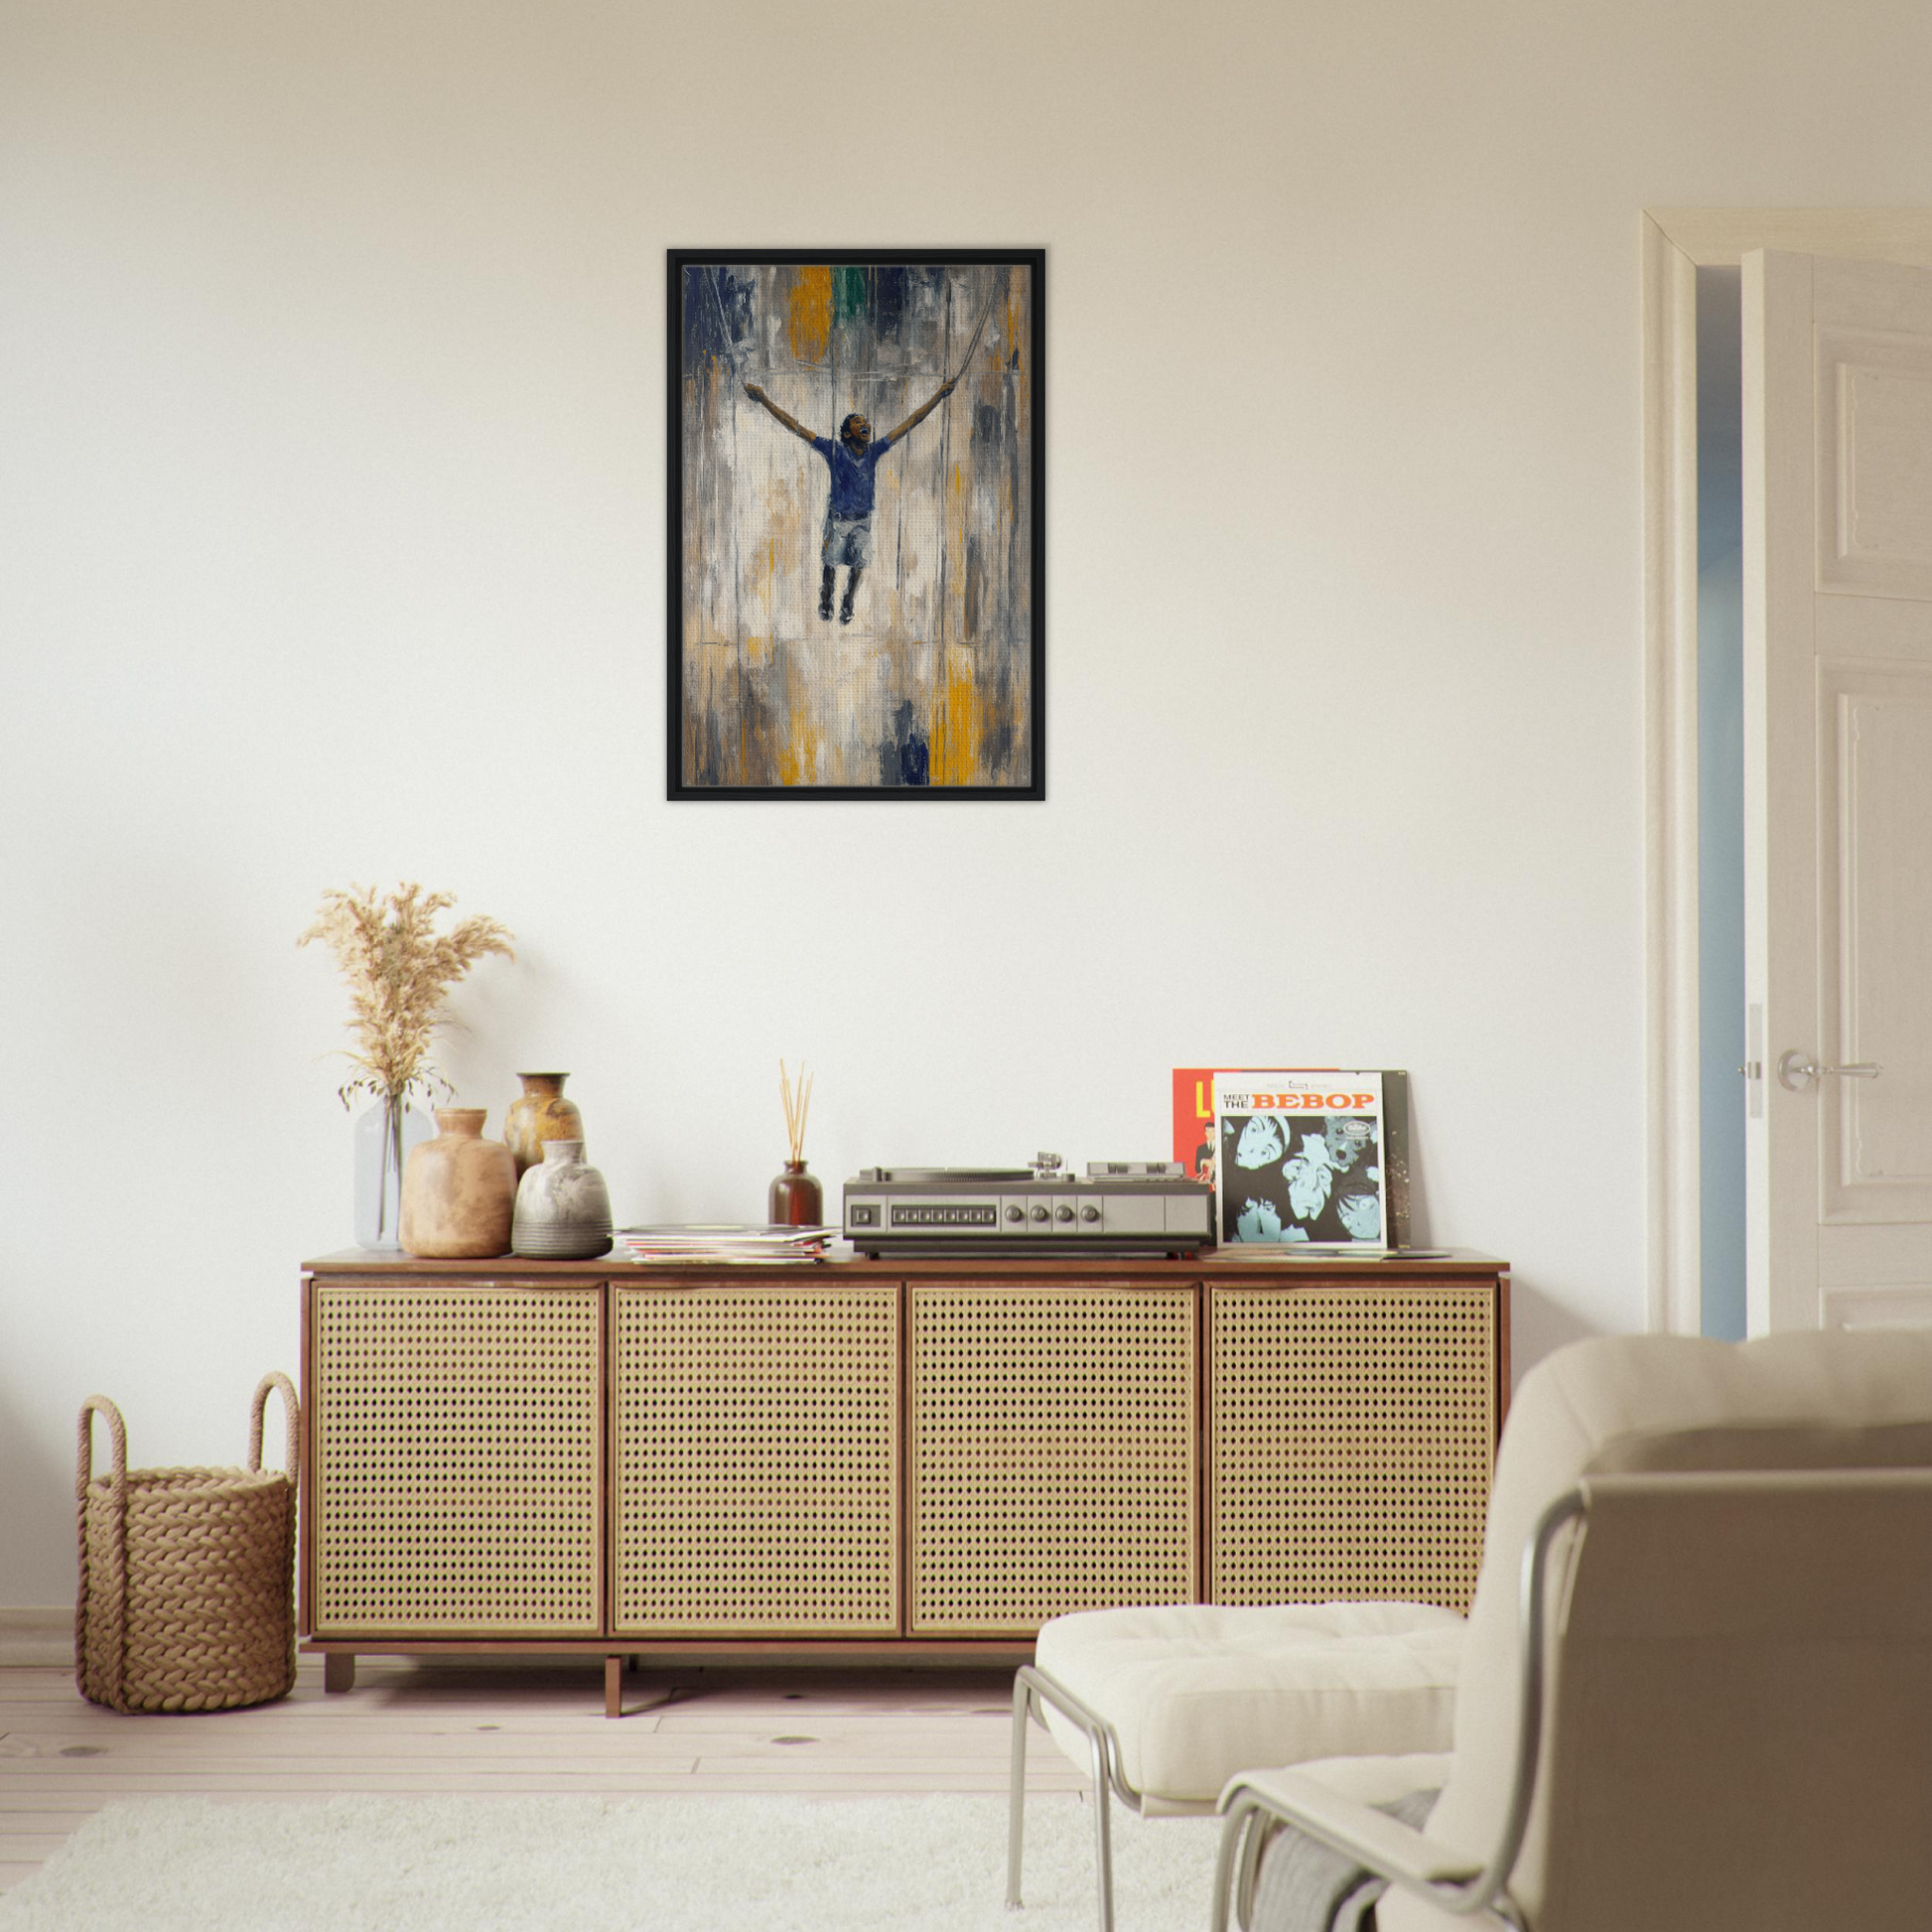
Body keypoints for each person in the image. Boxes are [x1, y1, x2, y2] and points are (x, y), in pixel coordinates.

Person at [743, 373, 956, 623]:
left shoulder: (874, 450)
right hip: (838, 519)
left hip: (862, 520)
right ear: (847, 434)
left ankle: (847, 601)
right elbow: (796, 427)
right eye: (858, 422)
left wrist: (939, 396)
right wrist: (763, 399)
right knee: (830, 565)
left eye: (865, 421)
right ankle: (826, 599)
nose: (865, 424)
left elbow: (912, 421)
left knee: (859, 564)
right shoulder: (834, 450)